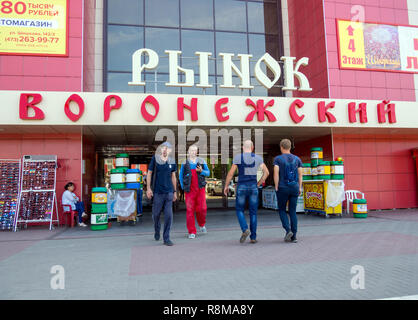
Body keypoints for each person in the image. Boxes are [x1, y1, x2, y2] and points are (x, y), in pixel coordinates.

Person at [224, 140, 269, 244]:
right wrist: (259, 183)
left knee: (239, 210)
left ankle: (245, 229)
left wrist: (226, 186)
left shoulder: (238, 158)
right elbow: (266, 172)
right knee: (253, 212)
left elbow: (231, 173)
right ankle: (253, 237)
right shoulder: (258, 158)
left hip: (242, 187)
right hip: (253, 187)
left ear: (243, 147)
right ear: (252, 148)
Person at [146, 142, 177, 246]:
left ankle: (166, 238)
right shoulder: (155, 159)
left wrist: (175, 191)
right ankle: (157, 230)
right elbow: (149, 173)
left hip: (168, 192)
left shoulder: (172, 161)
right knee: (156, 215)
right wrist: (148, 188)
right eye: (164, 147)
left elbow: (173, 176)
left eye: (167, 148)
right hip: (157, 192)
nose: (165, 150)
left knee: (169, 215)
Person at [273, 139, 303, 243]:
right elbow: (300, 175)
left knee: (282, 210)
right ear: (290, 147)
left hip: (283, 187)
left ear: (281, 147)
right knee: (292, 211)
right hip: (294, 187)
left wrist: (276, 186)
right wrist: (299, 187)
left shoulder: (278, 159)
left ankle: (288, 230)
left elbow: (276, 173)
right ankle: (294, 236)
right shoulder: (297, 159)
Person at [179, 144, 210, 239]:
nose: (193, 152)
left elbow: (208, 173)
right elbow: (180, 176)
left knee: (202, 208)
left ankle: (201, 224)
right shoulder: (184, 163)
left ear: (197, 152)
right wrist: (183, 187)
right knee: (190, 211)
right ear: (188, 152)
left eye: (195, 150)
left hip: (200, 189)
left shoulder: (201, 161)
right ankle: (192, 231)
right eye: (191, 150)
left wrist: (201, 171)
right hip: (189, 190)